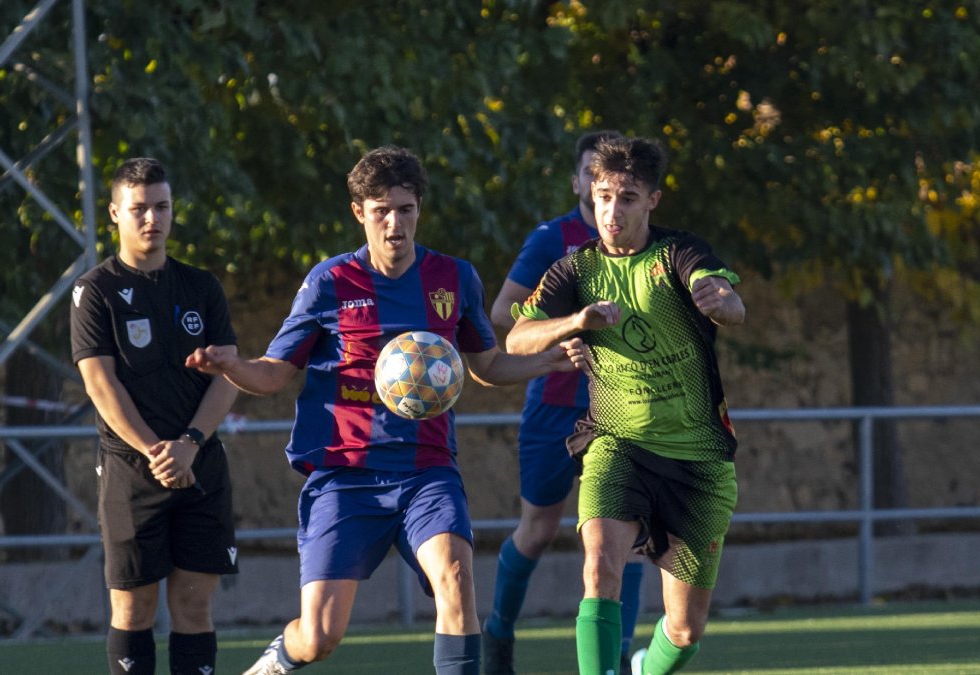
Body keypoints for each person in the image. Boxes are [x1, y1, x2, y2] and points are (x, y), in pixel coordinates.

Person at [184, 146, 576, 675]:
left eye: (406, 209)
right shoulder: (329, 283)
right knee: (319, 636)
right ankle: (277, 660)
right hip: (346, 475)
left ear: (419, 210)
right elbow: (275, 374)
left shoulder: (454, 278)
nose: (396, 223)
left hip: (427, 471)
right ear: (359, 213)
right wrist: (231, 365)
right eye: (382, 210)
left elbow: (484, 364)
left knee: (456, 579)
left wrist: (548, 361)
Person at [505, 136, 745, 675]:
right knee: (598, 568)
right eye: (605, 195)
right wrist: (574, 322)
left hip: (697, 457)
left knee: (684, 630)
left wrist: (722, 301)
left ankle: (641, 668)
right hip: (617, 442)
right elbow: (517, 338)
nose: (612, 211)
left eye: (629, 198)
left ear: (653, 200)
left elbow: (730, 302)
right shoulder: (574, 269)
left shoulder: (679, 252)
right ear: (592, 191)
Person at [484, 130, 646, 675]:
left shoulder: (649, 244)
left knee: (631, 534)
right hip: (555, 404)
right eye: (595, 180)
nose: (608, 195)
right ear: (581, 182)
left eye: (622, 188)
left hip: (624, 407)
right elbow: (505, 314)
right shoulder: (553, 239)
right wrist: (565, 327)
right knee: (538, 530)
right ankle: (498, 635)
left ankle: (618, 657)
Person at [71, 157, 240, 675]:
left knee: (193, 606)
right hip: (132, 472)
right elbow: (101, 384)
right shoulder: (94, 291)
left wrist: (189, 442)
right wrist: (156, 452)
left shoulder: (201, 286)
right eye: (139, 208)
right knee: (134, 609)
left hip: (201, 466)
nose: (152, 218)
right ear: (115, 214)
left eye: (161, 206)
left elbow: (227, 375)